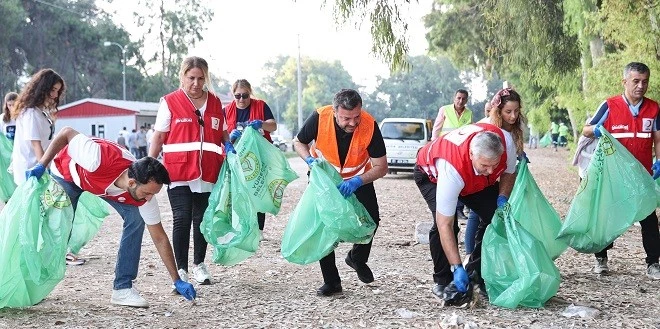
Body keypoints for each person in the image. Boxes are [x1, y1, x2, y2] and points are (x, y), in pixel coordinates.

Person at [25, 126, 196, 307]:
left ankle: (122, 288)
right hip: (68, 174)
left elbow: (160, 237)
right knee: (58, 233)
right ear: (132, 182)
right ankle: (34, 285)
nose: (149, 198)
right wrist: (41, 165)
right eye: (147, 193)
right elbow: (66, 132)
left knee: (136, 217)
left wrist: (176, 279)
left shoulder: (144, 195)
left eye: (153, 194)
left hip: (102, 184)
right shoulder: (96, 158)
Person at [293, 88, 387, 296]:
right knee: (325, 227)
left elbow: (381, 166)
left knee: (372, 220)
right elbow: (298, 141)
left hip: (358, 179)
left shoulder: (370, 125)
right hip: (325, 180)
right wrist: (308, 159)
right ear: (335, 112)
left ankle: (357, 258)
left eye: (356, 117)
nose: (353, 123)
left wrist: (357, 181)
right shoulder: (319, 117)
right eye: (346, 118)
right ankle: (332, 282)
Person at [149, 56, 233, 287]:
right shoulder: (169, 102)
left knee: (201, 220)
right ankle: (182, 269)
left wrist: (230, 145)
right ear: (183, 77)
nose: (196, 83)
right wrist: (148, 163)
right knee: (181, 218)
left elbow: (223, 132)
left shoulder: (216, 102)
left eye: (200, 78)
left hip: (207, 172)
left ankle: (199, 265)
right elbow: (159, 136)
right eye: (191, 78)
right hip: (177, 172)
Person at [414, 122, 517, 303]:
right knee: (448, 226)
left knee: (495, 217)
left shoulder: (506, 142)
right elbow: (444, 223)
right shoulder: (451, 171)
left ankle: (475, 272)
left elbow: (509, 172)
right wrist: (456, 266)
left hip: (472, 179)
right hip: (431, 175)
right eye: (485, 165)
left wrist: (502, 196)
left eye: (495, 164)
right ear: (471, 154)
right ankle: (443, 280)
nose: (491, 171)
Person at [582, 61, 660, 280]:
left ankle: (653, 263)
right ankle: (601, 259)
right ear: (624, 81)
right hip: (613, 173)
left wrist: (659, 160)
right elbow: (586, 129)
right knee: (605, 215)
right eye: (635, 81)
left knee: (649, 218)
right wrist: (596, 129)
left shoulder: (653, 108)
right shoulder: (609, 105)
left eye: (645, 82)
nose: (640, 86)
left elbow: (658, 138)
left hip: (642, 173)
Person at [224, 79, 278, 231]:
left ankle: (259, 230)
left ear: (250, 93)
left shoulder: (261, 105)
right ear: (233, 95)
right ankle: (240, 226)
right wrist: (230, 137)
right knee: (237, 192)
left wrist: (261, 123)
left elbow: (273, 125)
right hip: (237, 158)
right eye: (237, 96)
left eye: (245, 95)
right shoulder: (226, 110)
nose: (241, 99)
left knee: (258, 190)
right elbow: (220, 134)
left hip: (259, 157)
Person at [431, 89, 473, 221]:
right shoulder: (445, 110)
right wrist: (433, 144)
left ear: (466, 100)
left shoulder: (469, 113)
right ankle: (446, 209)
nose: (460, 101)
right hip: (445, 148)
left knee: (460, 178)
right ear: (454, 98)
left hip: (461, 150)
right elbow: (437, 128)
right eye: (458, 98)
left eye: (463, 99)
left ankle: (459, 209)